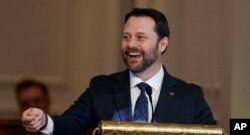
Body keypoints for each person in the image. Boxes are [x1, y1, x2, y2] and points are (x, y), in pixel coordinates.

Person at [21, 8, 216, 135]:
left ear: (162, 44)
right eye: (126, 37)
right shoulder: (101, 87)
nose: (131, 44)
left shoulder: (191, 96)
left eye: (140, 37)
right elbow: (71, 122)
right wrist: (44, 121)